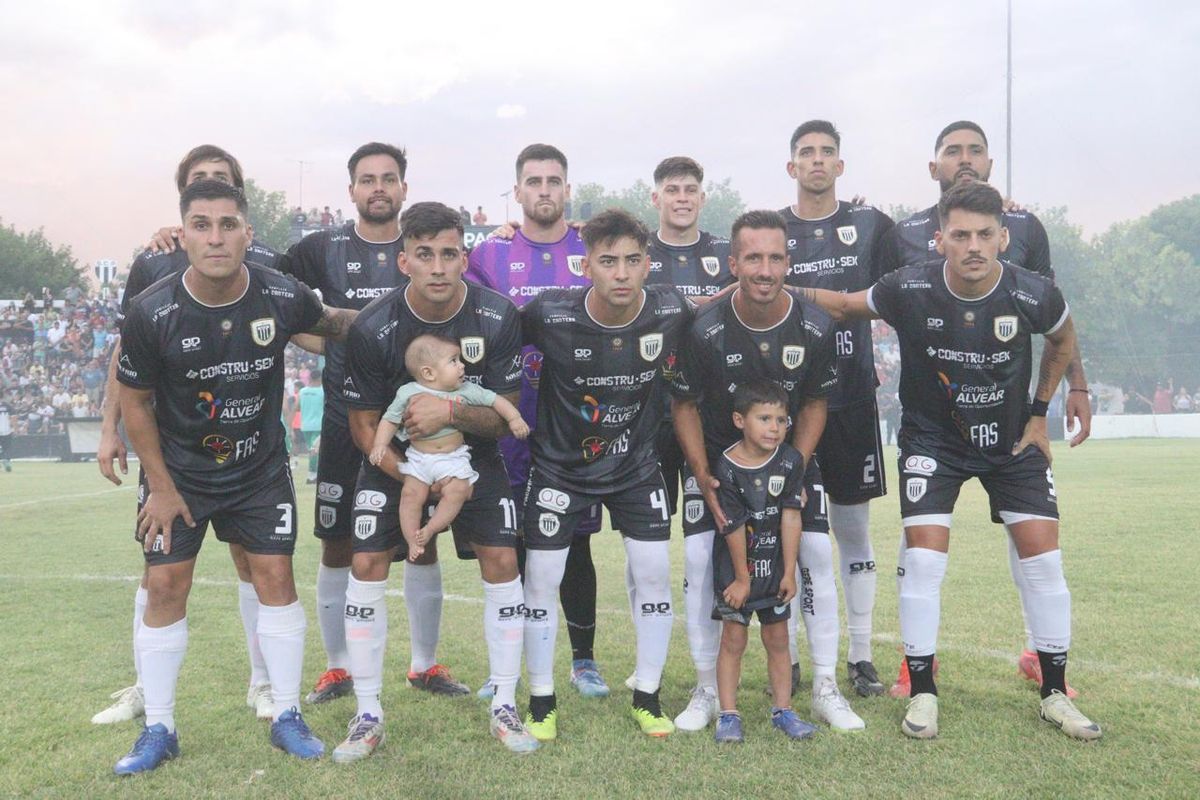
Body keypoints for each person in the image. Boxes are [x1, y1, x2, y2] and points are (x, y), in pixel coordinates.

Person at [801, 181, 1101, 741]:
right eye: (960, 235)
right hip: (933, 444)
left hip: (1011, 444)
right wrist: (766, 286)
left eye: (985, 235)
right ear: (939, 239)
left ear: (1003, 238)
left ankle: (1055, 692)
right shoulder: (908, 286)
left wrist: (1040, 414)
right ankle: (922, 692)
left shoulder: (1032, 291)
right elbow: (843, 305)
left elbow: (1063, 339)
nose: (973, 246)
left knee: (1044, 563)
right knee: (923, 563)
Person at [112, 180, 359, 773]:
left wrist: (404, 316)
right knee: (166, 586)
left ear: (248, 233)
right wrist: (163, 487)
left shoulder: (279, 291)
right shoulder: (153, 311)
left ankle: (287, 714)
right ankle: (160, 727)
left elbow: (333, 322)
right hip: (179, 475)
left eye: (228, 225)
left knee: (275, 576)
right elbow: (135, 401)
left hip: (258, 470)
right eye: (202, 225)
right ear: (184, 233)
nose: (216, 237)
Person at [889, 120, 1093, 697]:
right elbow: (872, 296)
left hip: (1007, 422)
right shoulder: (902, 232)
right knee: (921, 540)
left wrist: (1073, 388)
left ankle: (1038, 649)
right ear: (934, 168)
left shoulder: (1026, 226)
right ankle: (915, 661)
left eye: (975, 150)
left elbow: (1056, 318)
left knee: (1029, 536)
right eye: (953, 151)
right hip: (932, 424)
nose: (965, 159)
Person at [336, 201, 537, 760]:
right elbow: (362, 425)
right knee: (367, 562)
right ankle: (367, 711)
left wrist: (448, 417)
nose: (439, 267)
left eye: (449, 253)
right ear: (404, 261)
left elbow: (506, 414)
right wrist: (410, 477)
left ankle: (503, 700)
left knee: (502, 559)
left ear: (463, 256)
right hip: (394, 463)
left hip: (476, 460)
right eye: (424, 255)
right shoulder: (375, 324)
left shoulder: (496, 315)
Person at [92, 145, 283, 726]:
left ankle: (266, 683)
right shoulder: (154, 263)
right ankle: (146, 690)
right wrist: (110, 428)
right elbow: (128, 355)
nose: (210, 187)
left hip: (248, 445)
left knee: (257, 563)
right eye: (198, 184)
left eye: (220, 182)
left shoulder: (268, 260)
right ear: (183, 205)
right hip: (172, 453)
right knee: (161, 569)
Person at [671, 209, 863, 733]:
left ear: (788, 261)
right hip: (718, 466)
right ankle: (707, 690)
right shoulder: (704, 328)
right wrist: (701, 471)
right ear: (732, 262)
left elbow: (817, 404)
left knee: (819, 553)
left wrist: (794, 467)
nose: (764, 269)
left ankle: (824, 685)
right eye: (752, 257)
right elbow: (684, 403)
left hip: (788, 460)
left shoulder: (816, 325)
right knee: (696, 558)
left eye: (775, 257)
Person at [518, 208, 692, 740]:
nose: (621, 273)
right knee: (542, 582)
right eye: (608, 261)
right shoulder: (548, 313)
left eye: (633, 261)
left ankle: (648, 696)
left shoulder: (670, 308)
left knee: (654, 575)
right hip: (558, 470)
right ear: (585, 264)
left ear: (648, 264)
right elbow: (484, 326)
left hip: (637, 468)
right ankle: (542, 702)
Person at [273, 143, 426, 705]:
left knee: (421, 540)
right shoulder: (324, 248)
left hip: (418, 418)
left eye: (389, 178)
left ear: (404, 188)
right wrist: (321, 340)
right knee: (337, 543)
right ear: (352, 191)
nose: (379, 188)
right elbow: (266, 285)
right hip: (345, 416)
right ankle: (337, 667)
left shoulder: (424, 243)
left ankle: (425, 663)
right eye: (368, 179)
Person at [466, 144, 609, 699]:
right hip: (508, 420)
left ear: (567, 189)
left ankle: (584, 660)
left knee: (575, 543)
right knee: (512, 543)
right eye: (534, 181)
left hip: (576, 422)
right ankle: (509, 662)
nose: (545, 189)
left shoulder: (591, 247)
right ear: (518, 191)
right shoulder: (491, 255)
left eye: (554, 180)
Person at [780, 120, 899, 697]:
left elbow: (913, 276)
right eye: (807, 153)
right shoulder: (771, 229)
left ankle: (861, 654)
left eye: (828, 152)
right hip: (788, 405)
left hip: (852, 399)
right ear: (792, 167)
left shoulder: (870, 224)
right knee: (796, 536)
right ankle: (798, 656)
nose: (818, 161)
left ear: (841, 165)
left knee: (853, 530)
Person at [640, 156, 735, 720]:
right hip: (647, 416)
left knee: (701, 551)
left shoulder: (726, 252)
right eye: (671, 189)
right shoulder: (637, 254)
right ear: (656, 198)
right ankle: (646, 663)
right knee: (647, 549)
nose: (681, 197)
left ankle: (705, 676)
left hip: (709, 417)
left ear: (702, 197)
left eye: (690, 189)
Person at [710, 380, 815, 744]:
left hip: (774, 568)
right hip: (737, 569)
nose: (775, 428)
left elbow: (790, 515)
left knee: (778, 639)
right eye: (765, 418)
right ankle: (728, 715)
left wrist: (788, 571)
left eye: (782, 420)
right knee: (733, 641)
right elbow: (733, 526)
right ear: (740, 420)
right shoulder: (725, 466)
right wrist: (742, 578)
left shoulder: (790, 461)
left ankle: (783, 710)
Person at [369, 334, 528, 559]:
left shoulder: (466, 390)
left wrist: (514, 419)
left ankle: (431, 528)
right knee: (410, 496)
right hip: (418, 459)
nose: (462, 365)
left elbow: (495, 400)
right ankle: (412, 540)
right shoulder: (408, 392)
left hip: (453, 459)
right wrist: (379, 445)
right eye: (454, 361)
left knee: (458, 490)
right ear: (428, 373)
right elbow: (390, 419)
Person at [298, 370, 324, 483]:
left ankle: (314, 474)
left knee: (312, 450)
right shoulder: (323, 391)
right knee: (315, 450)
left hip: (305, 425)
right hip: (319, 425)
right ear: (319, 379)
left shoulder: (302, 391)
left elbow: (297, 407)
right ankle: (312, 475)